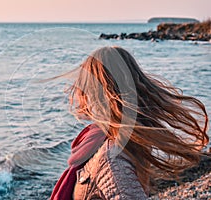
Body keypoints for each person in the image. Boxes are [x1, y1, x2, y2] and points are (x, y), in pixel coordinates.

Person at [50, 46, 209, 200]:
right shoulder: (103, 140)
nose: (81, 96)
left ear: (98, 94)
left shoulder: (113, 160)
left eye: (86, 87)